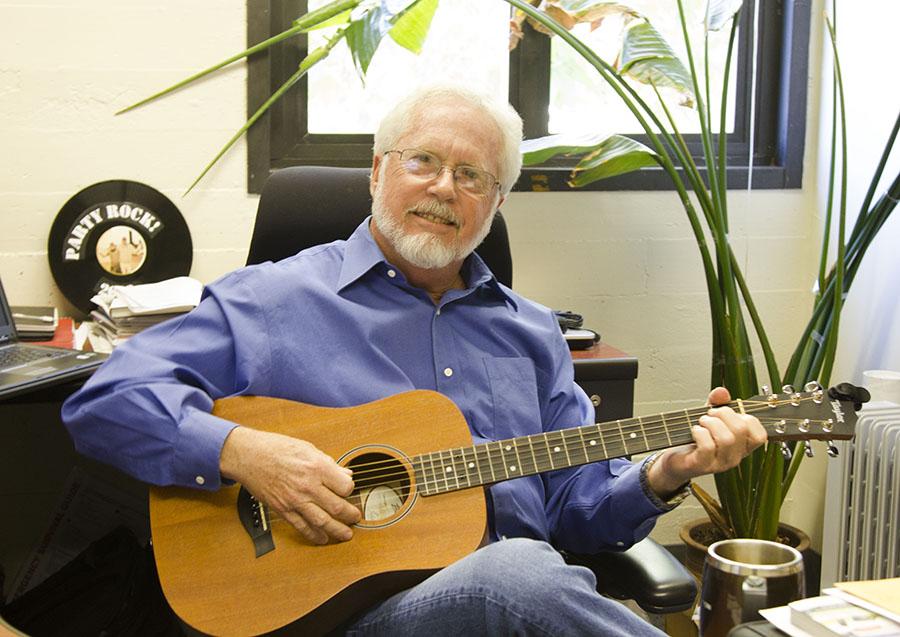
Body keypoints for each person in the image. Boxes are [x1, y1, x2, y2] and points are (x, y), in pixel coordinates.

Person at [62, 85, 767, 635]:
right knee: (520, 572)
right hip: (341, 615)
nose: (443, 187)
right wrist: (245, 452)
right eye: (423, 160)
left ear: (493, 203)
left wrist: (666, 470)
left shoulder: (532, 334)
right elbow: (105, 400)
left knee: (525, 570)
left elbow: (577, 513)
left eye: (472, 175)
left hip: (521, 605)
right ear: (378, 170)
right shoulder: (276, 300)